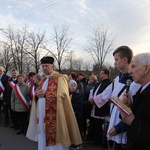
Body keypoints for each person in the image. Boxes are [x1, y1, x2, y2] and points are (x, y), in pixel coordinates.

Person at [26, 56, 82, 150]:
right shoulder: (43, 79)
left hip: (56, 115)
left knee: (56, 138)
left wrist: (46, 94)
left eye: (46, 66)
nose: (44, 68)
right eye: (43, 66)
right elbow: (37, 93)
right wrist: (37, 95)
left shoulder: (60, 78)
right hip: (42, 114)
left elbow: (63, 95)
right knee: (43, 135)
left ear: (52, 66)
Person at [92, 46, 140, 149]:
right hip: (114, 126)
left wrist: (119, 128)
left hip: (125, 131)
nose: (114, 63)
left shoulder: (136, 82)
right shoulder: (117, 79)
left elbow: (134, 112)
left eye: (116, 59)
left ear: (124, 59)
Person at [118, 53, 150, 150]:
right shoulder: (141, 91)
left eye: (133, 66)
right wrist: (129, 106)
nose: (129, 71)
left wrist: (132, 121)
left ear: (146, 68)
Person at [87, 68, 111, 146]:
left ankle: (99, 140)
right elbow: (92, 91)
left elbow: (105, 95)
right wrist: (91, 98)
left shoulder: (109, 84)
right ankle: (93, 138)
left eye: (102, 73)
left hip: (101, 107)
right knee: (94, 123)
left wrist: (95, 100)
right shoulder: (98, 83)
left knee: (99, 124)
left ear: (106, 74)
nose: (100, 74)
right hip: (94, 106)